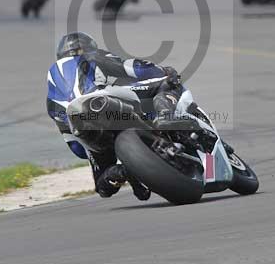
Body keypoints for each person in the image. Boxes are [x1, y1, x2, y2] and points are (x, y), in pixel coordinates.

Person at [46, 32, 190, 201]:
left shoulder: (51, 99)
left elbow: (77, 149)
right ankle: (166, 115)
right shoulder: (92, 56)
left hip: (84, 128)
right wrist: (163, 71)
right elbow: (131, 67)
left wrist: (91, 147)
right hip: (102, 102)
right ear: (87, 47)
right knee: (168, 82)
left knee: (102, 187)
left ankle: (122, 172)